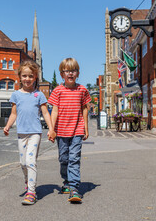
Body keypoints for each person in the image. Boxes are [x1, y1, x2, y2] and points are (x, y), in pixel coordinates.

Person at [4, 61, 56, 205]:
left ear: (35, 77)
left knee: (30, 161)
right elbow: (13, 113)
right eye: (24, 76)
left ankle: (31, 192)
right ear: (19, 77)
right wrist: (8, 125)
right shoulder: (16, 95)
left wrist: (51, 129)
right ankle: (28, 182)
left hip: (35, 133)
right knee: (22, 163)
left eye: (30, 76)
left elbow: (45, 113)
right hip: (21, 133)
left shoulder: (39, 95)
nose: (27, 79)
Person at [48, 57, 91, 203]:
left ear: (78, 73)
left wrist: (86, 127)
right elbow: (54, 111)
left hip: (77, 130)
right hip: (61, 131)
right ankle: (66, 181)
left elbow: (85, 109)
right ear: (62, 74)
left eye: (73, 70)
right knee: (64, 159)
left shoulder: (82, 90)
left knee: (74, 159)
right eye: (67, 71)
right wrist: (51, 129)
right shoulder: (57, 91)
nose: (70, 73)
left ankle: (74, 187)